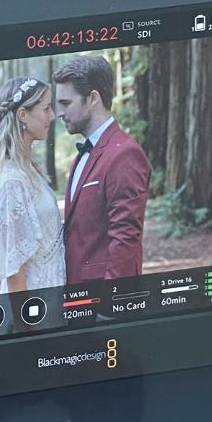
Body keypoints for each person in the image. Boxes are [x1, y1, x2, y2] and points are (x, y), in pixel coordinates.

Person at [53, 55, 152, 284]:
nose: (60, 113)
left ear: (93, 99)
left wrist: (110, 299)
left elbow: (126, 239)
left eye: (66, 103)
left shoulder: (124, 154)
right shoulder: (80, 158)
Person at [0, 76, 65, 298]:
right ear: (23, 115)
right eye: (46, 108)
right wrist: (25, 318)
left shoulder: (29, 170)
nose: (53, 116)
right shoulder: (12, 181)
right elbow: (15, 271)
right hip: (34, 303)